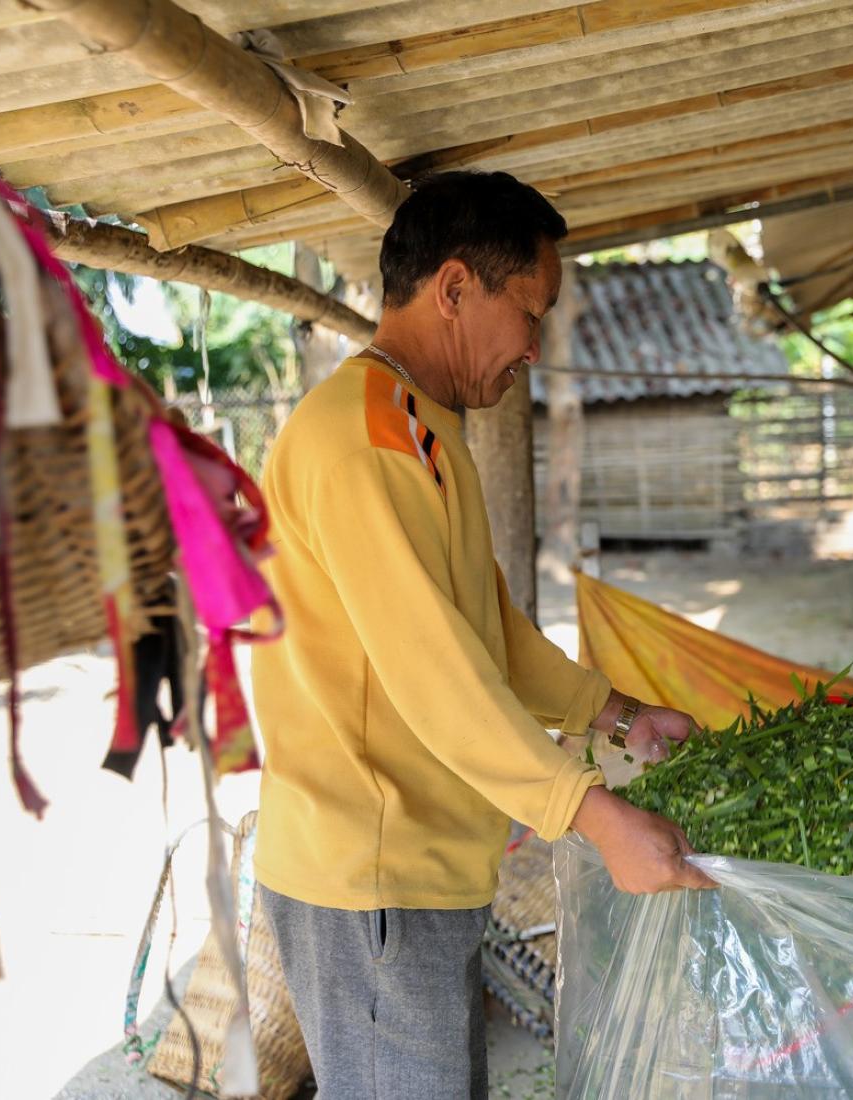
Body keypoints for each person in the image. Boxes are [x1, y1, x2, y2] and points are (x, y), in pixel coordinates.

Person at [250, 170, 715, 1099]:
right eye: (531, 312)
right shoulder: (366, 442)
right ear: (456, 289)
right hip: (372, 878)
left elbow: (488, 630)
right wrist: (594, 812)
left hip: (417, 869)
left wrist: (618, 716)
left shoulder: (421, 431)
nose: (536, 348)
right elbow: (438, 676)